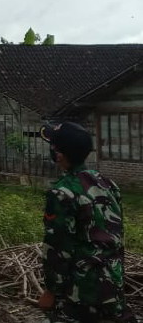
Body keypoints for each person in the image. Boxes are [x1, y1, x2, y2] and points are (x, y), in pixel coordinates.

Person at [38, 122, 136, 322]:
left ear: (58, 155)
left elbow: (58, 248)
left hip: (80, 292)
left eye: (54, 146)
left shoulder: (61, 193)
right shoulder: (108, 184)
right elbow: (117, 238)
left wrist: (50, 291)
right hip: (112, 284)